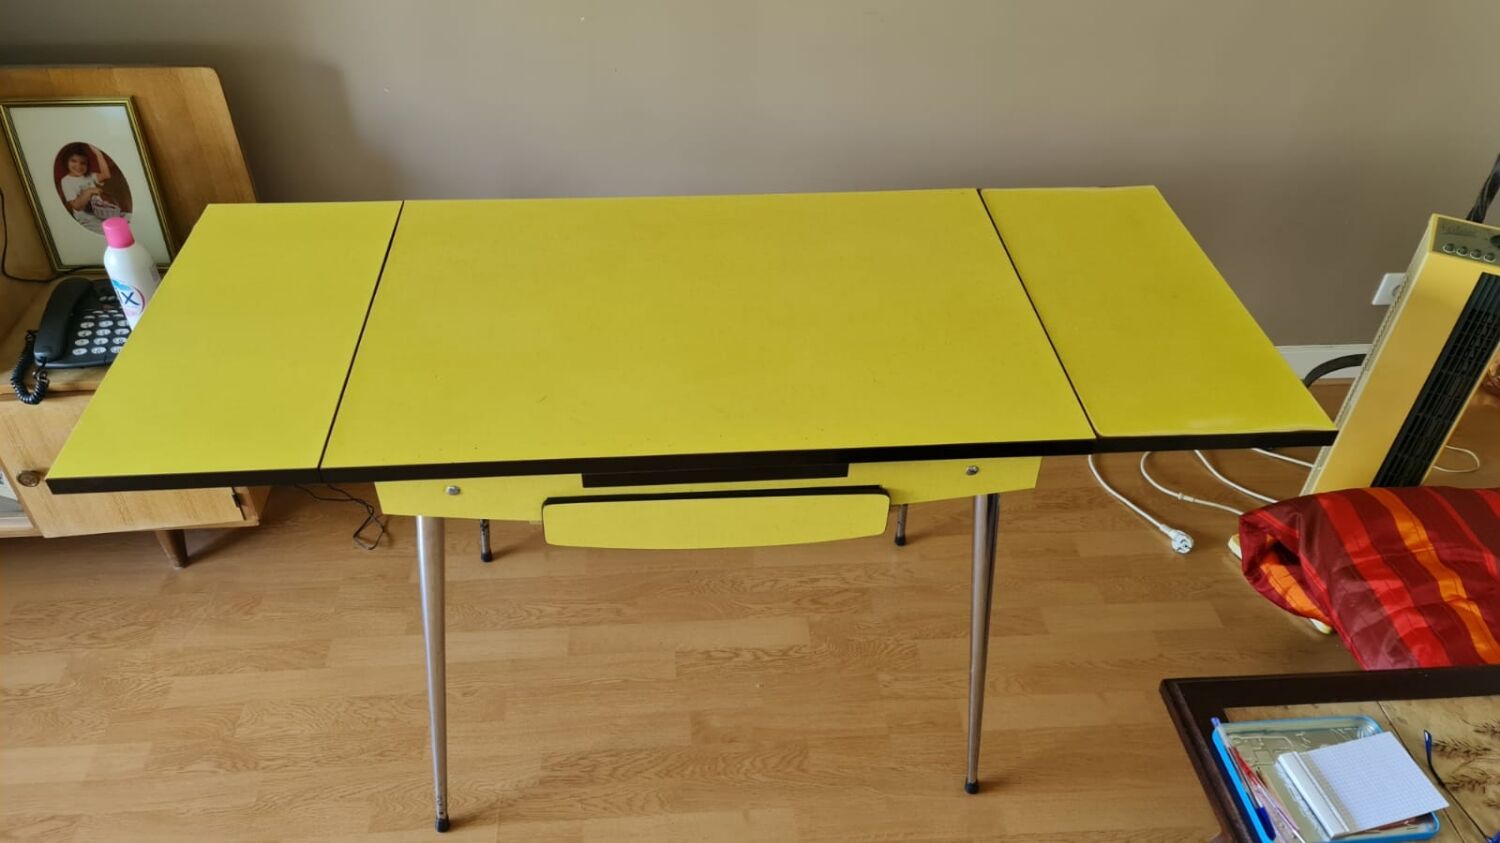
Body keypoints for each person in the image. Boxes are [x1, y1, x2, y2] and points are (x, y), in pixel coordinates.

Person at [58, 143, 127, 235]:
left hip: (102, 213)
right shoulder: (66, 181)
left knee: (127, 219)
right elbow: (76, 206)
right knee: (116, 232)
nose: (78, 166)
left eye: (83, 163)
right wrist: (89, 191)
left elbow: (106, 174)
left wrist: (98, 154)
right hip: (88, 220)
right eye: (73, 161)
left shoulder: (89, 176)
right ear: (66, 162)